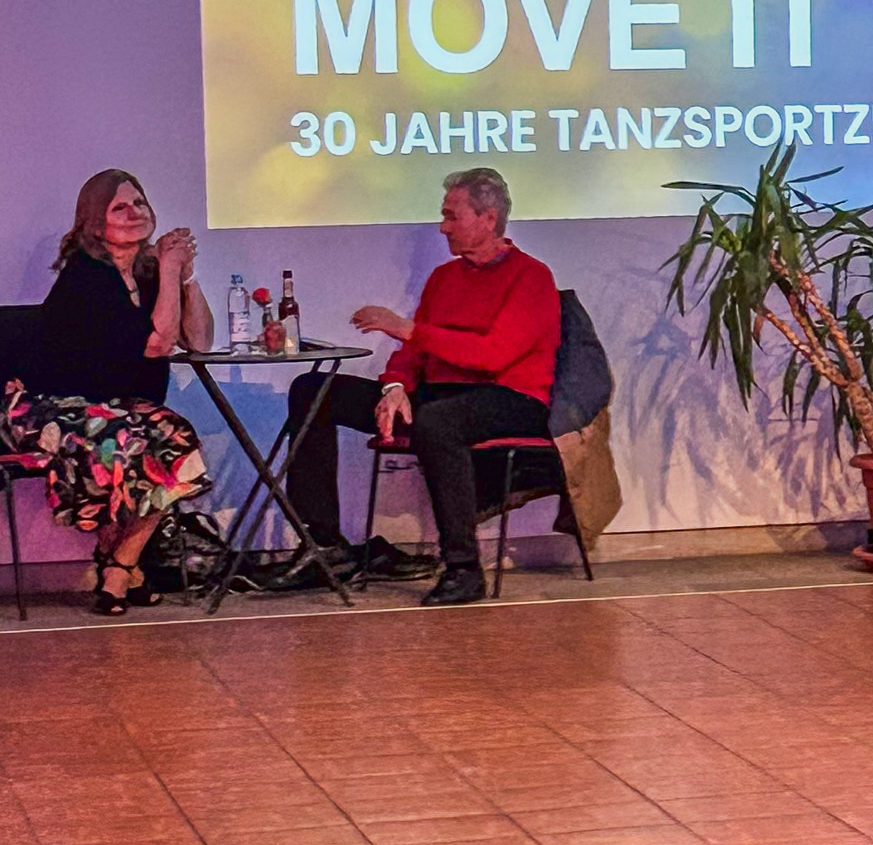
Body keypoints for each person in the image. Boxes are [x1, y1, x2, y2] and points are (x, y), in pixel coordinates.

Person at [277, 167, 560, 607]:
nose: (442, 226)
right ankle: (325, 546)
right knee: (313, 390)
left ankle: (463, 569)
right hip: (440, 396)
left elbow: (492, 355)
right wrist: (394, 386)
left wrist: (406, 328)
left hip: (512, 398)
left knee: (437, 419)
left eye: (451, 216)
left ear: (488, 219)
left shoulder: (531, 277)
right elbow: (413, 354)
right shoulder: (445, 278)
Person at [0, 171, 210, 615]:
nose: (134, 213)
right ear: (96, 224)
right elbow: (158, 344)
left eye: (139, 203)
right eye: (120, 207)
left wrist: (186, 278)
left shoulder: (147, 273)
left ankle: (119, 563)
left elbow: (200, 341)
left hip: (120, 410)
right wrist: (170, 269)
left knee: (164, 438)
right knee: (152, 441)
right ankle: (122, 568)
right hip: (55, 406)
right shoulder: (87, 275)